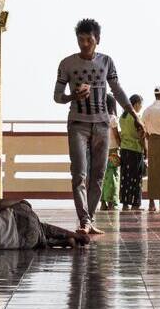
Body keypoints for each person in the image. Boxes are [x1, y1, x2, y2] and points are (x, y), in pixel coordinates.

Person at [53, 18, 141, 235]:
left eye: (89, 40)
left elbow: (117, 90)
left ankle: (89, 219)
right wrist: (73, 95)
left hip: (102, 124)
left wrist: (134, 114)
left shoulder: (107, 62)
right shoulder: (67, 64)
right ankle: (83, 220)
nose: (84, 44)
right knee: (79, 173)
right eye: (80, 40)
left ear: (97, 40)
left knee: (98, 175)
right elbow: (57, 97)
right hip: (77, 124)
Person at [0, 197, 90, 249]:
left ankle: (63, 242)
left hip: (21, 243)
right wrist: (20, 201)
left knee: (39, 238)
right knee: (40, 226)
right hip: (19, 220)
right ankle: (73, 235)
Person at [118, 94, 146, 210]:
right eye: (141, 104)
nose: (141, 107)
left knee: (125, 176)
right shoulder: (137, 117)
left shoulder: (122, 117)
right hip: (135, 149)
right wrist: (145, 149)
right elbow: (141, 136)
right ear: (136, 104)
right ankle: (135, 203)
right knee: (136, 177)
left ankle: (125, 203)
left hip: (124, 149)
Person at [100, 94, 120, 211]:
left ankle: (103, 202)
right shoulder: (112, 118)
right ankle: (112, 202)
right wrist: (121, 145)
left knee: (102, 176)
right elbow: (116, 135)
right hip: (113, 149)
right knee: (113, 176)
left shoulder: (99, 117)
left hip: (101, 150)